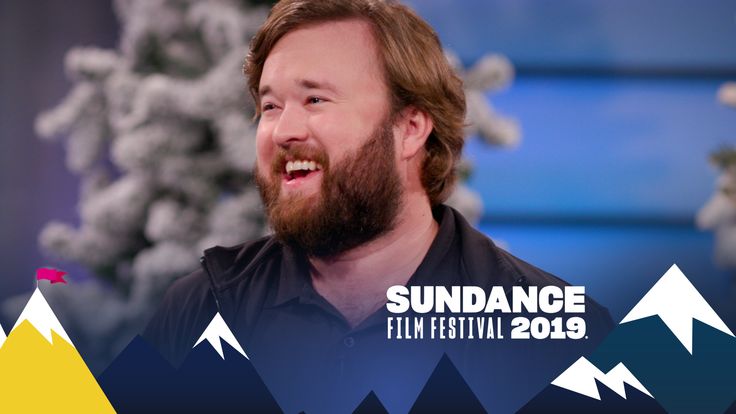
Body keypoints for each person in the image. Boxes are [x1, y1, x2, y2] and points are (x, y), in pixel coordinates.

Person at [143, 1, 614, 413]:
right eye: (270, 106)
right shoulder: (204, 306)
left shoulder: (547, 331)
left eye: (314, 99)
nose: (283, 130)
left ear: (410, 129)